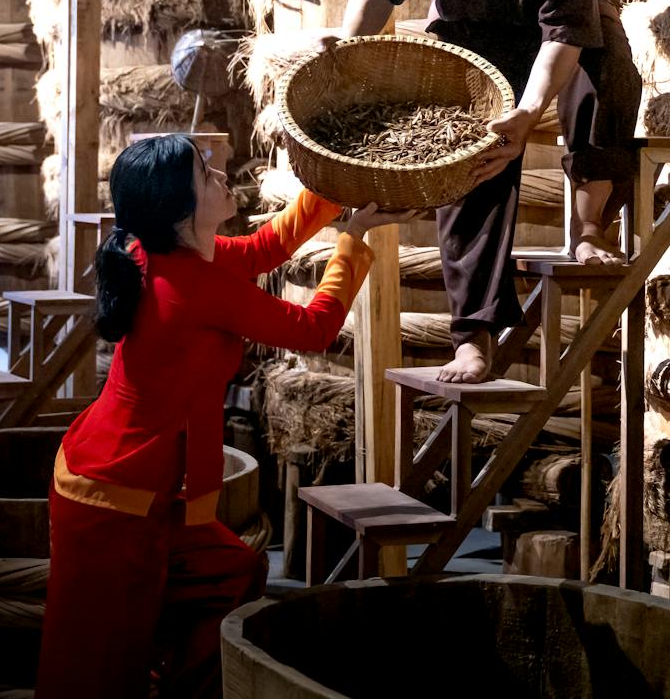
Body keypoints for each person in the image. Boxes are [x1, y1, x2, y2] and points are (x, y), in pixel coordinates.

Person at [37, 134, 408, 698]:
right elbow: (313, 330)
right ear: (180, 209)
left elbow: (262, 249)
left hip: (130, 477)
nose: (220, 174)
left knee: (231, 572)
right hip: (113, 494)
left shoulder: (175, 253)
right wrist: (351, 242)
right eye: (204, 173)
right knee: (97, 662)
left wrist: (331, 192)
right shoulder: (191, 286)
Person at [333, 0, 640, 385]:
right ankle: (471, 336)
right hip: (470, 21)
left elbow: (566, 28)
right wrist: (347, 53)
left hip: (564, 15)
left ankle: (592, 227)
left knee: (608, 78)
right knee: (467, 148)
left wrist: (527, 113)